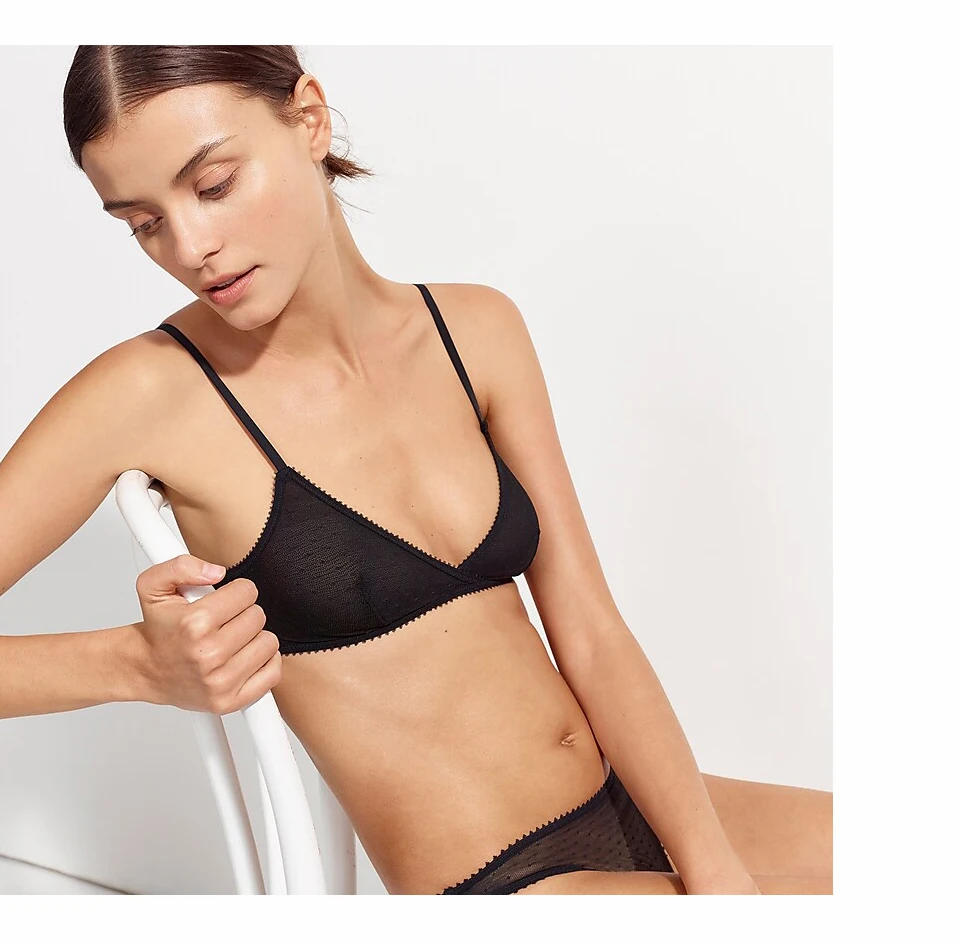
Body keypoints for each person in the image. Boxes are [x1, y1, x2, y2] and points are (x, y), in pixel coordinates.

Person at [0, 45, 831, 895]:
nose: (191, 246)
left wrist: (711, 869)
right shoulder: (148, 392)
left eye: (213, 185)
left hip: (635, 800)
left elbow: (589, 632)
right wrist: (134, 664)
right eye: (143, 223)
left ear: (309, 118)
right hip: (500, 886)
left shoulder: (476, 331)